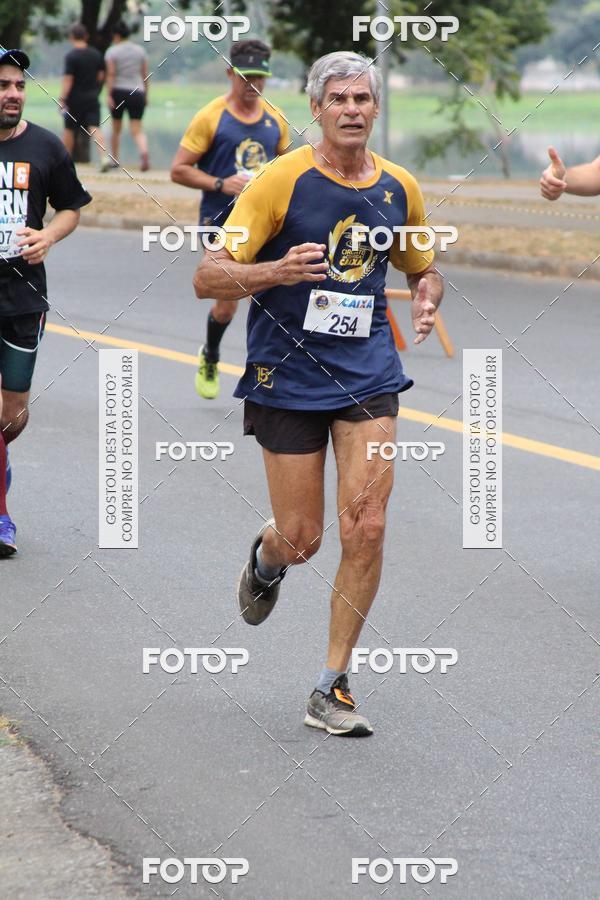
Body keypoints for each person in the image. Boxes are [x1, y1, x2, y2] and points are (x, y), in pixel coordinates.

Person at [193, 51, 444, 736]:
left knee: (366, 523)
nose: (353, 109)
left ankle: (331, 686)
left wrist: (426, 294)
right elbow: (208, 277)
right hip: (287, 374)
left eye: (363, 97)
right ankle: (268, 558)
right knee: (303, 538)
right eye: (339, 98)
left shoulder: (399, 186)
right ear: (316, 108)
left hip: (367, 374)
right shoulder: (280, 181)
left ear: (376, 106)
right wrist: (276, 270)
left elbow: (423, 265)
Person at [0, 49, 92, 556]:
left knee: (12, 416)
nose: (13, 94)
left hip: (24, 296)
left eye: (18, 85)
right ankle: (1, 515)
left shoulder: (46, 146)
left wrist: (49, 236)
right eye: (3, 85)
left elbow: (72, 206)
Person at [171, 39, 290, 400]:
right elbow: (179, 170)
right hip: (223, 221)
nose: (253, 85)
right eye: (246, 76)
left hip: (267, 222)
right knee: (228, 302)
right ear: (230, 73)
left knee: (276, 292)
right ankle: (211, 354)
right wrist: (222, 183)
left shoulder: (275, 118)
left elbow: (291, 169)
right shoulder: (211, 117)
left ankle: (268, 372)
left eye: (259, 77)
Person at [60, 23, 111, 171]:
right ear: (86, 36)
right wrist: (94, 86)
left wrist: (63, 98)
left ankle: (64, 161)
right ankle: (104, 158)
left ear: (71, 37)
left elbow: (68, 79)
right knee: (95, 127)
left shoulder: (71, 56)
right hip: (91, 97)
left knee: (69, 129)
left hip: (74, 98)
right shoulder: (95, 54)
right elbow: (101, 75)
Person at [105, 20, 150, 171]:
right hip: (137, 91)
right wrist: (146, 94)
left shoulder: (112, 51)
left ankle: (115, 159)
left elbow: (111, 74)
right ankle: (144, 153)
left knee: (116, 128)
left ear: (116, 35)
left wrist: (108, 94)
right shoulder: (140, 51)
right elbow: (145, 74)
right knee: (137, 129)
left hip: (118, 91)